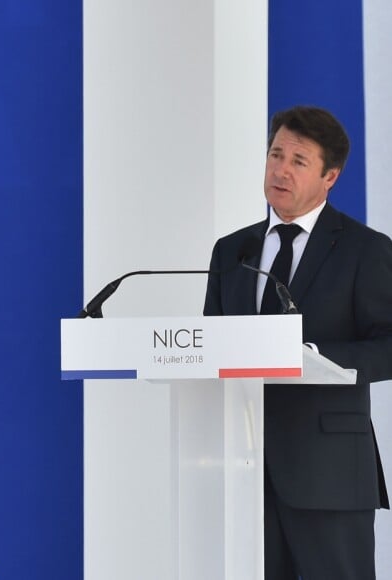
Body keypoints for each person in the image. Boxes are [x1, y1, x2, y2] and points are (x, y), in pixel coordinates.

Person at [203, 105, 392, 579]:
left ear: (330, 176)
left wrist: (311, 359)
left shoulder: (364, 250)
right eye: (275, 154)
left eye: (298, 161)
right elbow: (212, 342)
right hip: (243, 471)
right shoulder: (233, 250)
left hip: (328, 472)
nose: (280, 170)